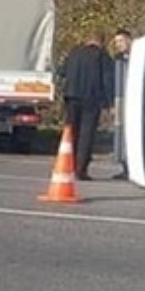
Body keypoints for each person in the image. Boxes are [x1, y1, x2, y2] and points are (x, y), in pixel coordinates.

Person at [59, 31, 112, 180]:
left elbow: (62, 71)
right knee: (86, 135)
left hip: (71, 96)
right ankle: (80, 169)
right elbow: (107, 79)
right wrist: (109, 103)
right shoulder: (102, 56)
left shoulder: (74, 53)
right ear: (101, 42)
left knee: (70, 131)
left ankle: (66, 163)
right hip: (91, 98)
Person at [110, 29, 132, 180]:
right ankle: (125, 167)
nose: (118, 45)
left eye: (121, 41)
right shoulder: (117, 59)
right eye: (116, 42)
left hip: (135, 101)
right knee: (122, 133)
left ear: (129, 40)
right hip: (121, 101)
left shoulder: (138, 56)